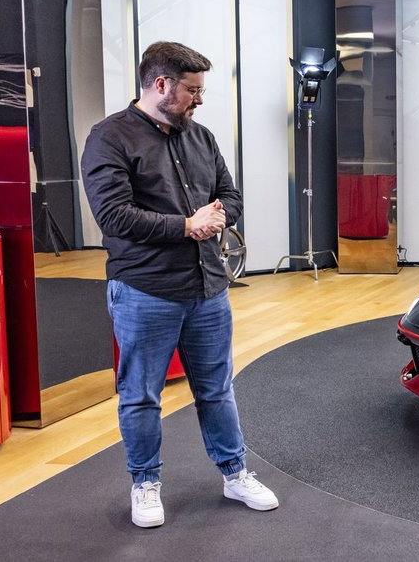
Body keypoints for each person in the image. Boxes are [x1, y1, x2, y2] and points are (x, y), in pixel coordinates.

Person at [81, 41, 278, 528]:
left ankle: (234, 474)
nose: (200, 99)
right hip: (145, 291)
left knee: (216, 390)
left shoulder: (202, 137)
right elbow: (112, 215)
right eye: (192, 90)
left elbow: (229, 195)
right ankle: (145, 482)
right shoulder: (109, 138)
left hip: (208, 288)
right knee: (142, 394)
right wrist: (185, 226)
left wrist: (215, 218)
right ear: (161, 84)